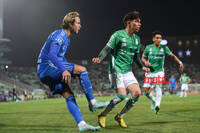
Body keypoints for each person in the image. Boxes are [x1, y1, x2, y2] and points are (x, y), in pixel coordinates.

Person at [37, 11, 107, 131]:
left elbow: (60, 58)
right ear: (70, 24)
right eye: (78, 23)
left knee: (69, 95)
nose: (80, 25)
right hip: (47, 66)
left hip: (44, 72)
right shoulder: (60, 35)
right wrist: (64, 70)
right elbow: (52, 55)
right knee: (83, 70)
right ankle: (93, 102)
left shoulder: (66, 39)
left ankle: (81, 124)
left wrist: (70, 71)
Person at [92, 11, 149, 128]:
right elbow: (107, 49)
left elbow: (136, 57)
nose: (140, 24)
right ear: (129, 23)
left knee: (137, 93)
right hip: (115, 70)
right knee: (122, 95)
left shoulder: (137, 39)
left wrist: (142, 66)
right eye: (137, 22)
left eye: (140, 22)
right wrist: (99, 58)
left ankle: (120, 116)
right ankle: (102, 115)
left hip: (127, 71)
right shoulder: (117, 35)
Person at [142, 31, 184, 114]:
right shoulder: (148, 48)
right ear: (153, 39)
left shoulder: (164, 48)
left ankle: (157, 105)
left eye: (160, 38)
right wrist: (145, 62)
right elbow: (143, 58)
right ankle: (154, 101)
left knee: (158, 86)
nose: (159, 39)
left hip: (159, 72)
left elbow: (173, 56)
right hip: (149, 72)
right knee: (146, 93)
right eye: (157, 38)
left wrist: (180, 62)